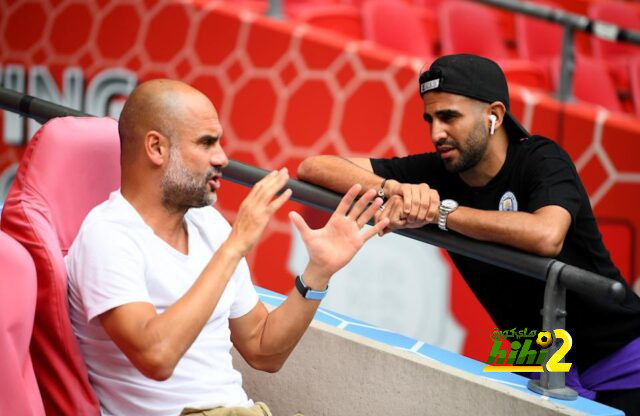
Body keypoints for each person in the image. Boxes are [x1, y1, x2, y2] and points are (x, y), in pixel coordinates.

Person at [297, 54, 640, 414]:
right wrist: (391, 188)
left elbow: (546, 235)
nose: (435, 133)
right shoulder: (437, 171)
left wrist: (443, 212)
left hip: (624, 364)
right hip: (543, 375)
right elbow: (314, 166)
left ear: (494, 115)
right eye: (430, 119)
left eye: (449, 117)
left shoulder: (541, 158)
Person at [65, 79, 389, 416]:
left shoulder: (209, 224)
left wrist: (318, 272)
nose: (222, 157)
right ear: (156, 148)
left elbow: (264, 351)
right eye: (207, 143)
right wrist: (234, 246)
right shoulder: (107, 235)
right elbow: (155, 357)